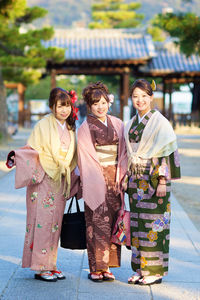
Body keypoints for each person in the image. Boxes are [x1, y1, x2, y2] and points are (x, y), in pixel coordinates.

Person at [6, 88, 80, 282]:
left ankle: (51, 264)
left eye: (67, 106)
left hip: (60, 180)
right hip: (43, 179)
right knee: (41, 222)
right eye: (60, 106)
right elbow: (32, 149)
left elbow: (73, 155)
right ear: (52, 107)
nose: (64, 110)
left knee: (55, 224)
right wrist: (17, 157)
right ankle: (40, 266)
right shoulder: (43, 125)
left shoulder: (71, 128)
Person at [124, 79, 181, 285]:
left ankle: (154, 271)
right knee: (138, 224)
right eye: (135, 96)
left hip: (155, 179)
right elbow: (127, 153)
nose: (140, 100)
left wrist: (163, 180)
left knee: (154, 225)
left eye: (144, 96)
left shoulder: (160, 122)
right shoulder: (130, 123)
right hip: (136, 180)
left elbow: (167, 152)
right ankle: (140, 268)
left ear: (151, 97)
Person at [77, 81, 127, 282]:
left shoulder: (118, 123)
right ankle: (96, 268)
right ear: (89, 105)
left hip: (115, 179)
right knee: (96, 224)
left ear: (109, 102)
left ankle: (108, 267)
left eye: (103, 102)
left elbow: (124, 152)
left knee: (114, 223)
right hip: (95, 179)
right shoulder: (84, 128)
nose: (100, 106)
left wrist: (121, 176)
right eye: (95, 103)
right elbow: (85, 156)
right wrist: (95, 179)